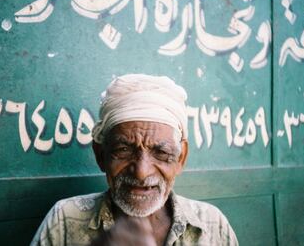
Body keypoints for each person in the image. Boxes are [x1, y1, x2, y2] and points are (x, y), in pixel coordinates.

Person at [31, 74, 238, 246]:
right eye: (123, 150)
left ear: (180, 158)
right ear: (101, 155)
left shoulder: (212, 225)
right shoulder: (64, 219)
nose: (141, 171)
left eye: (161, 153)